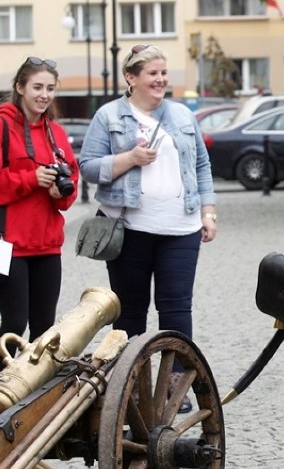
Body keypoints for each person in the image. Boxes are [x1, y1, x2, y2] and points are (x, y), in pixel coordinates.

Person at [79, 44, 217, 412]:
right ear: (131, 77)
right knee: (130, 313)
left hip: (181, 229)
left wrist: (208, 212)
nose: (160, 80)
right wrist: (129, 159)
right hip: (129, 229)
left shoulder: (183, 116)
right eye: (152, 73)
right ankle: (133, 385)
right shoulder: (109, 116)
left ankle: (176, 385)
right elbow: (89, 168)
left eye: (163, 73)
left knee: (175, 308)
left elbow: (201, 165)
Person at [0, 57, 79, 357]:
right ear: (20, 87)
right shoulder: (2, 125)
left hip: (46, 244)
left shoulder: (56, 133)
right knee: (13, 323)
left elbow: (69, 188)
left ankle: (32, 396)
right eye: (37, 87)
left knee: (44, 326)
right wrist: (31, 178)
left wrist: (59, 191)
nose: (44, 95)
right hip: (7, 244)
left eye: (50, 88)